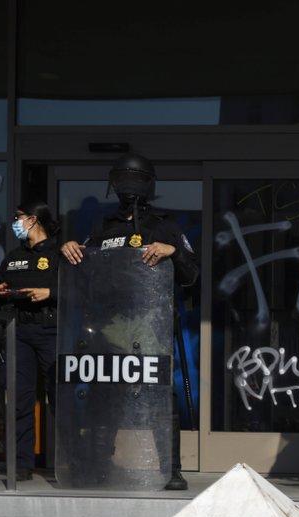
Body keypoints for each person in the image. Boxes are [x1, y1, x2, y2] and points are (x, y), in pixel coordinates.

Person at [61, 154, 197, 491]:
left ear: (149, 184)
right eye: (123, 179)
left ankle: (171, 469)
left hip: (149, 322)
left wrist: (173, 252)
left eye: (135, 179)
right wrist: (70, 251)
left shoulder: (166, 225)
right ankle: (98, 465)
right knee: (103, 398)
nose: (128, 187)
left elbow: (192, 275)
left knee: (156, 396)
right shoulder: (102, 227)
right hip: (108, 324)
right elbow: (83, 273)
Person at [0, 202, 63, 482]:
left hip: (51, 331)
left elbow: (80, 289)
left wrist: (50, 292)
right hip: (19, 332)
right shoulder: (13, 257)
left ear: (33, 220)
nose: (15, 222)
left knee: (60, 399)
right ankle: (21, 463)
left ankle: (68, 462)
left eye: (18, 218)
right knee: (20, 401)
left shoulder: (60, 253)